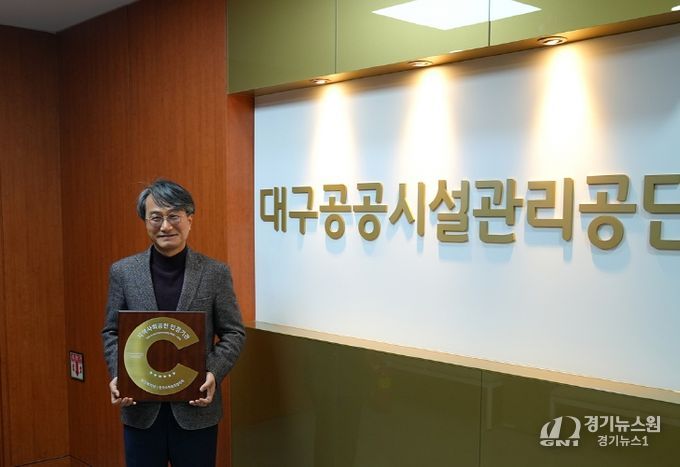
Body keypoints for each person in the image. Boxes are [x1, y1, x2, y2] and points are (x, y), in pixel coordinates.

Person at [102, 179, 245, 467]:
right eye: (156, 217)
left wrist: (212, 372)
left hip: (195, 411)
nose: (165, 226)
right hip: (140, 411)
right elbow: (112, 331)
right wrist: (120, 374)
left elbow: (233, 332)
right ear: (145, 221)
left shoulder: (215, 273)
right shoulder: (124, 272)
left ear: (189, 219)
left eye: (174, 216)